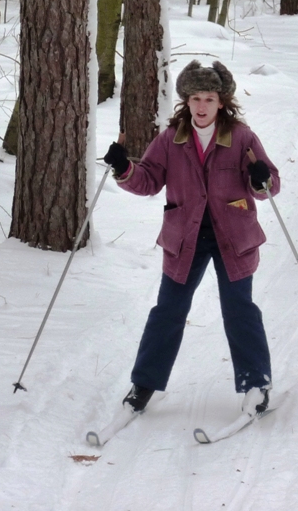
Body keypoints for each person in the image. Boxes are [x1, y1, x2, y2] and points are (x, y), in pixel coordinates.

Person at [103, 60, 279, 418]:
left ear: (222, 102)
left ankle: (256, 383)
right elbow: (149, 179)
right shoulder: (172, 138)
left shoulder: (241, 137)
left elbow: (268, 185)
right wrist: (124, 168)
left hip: (233, 235)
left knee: (238, 308)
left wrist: (262, 178)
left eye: (210, 99)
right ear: (187, 100)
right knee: (168, 309)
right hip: (185, 236)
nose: (202, 106)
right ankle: (145, 383)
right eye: (196, 98)